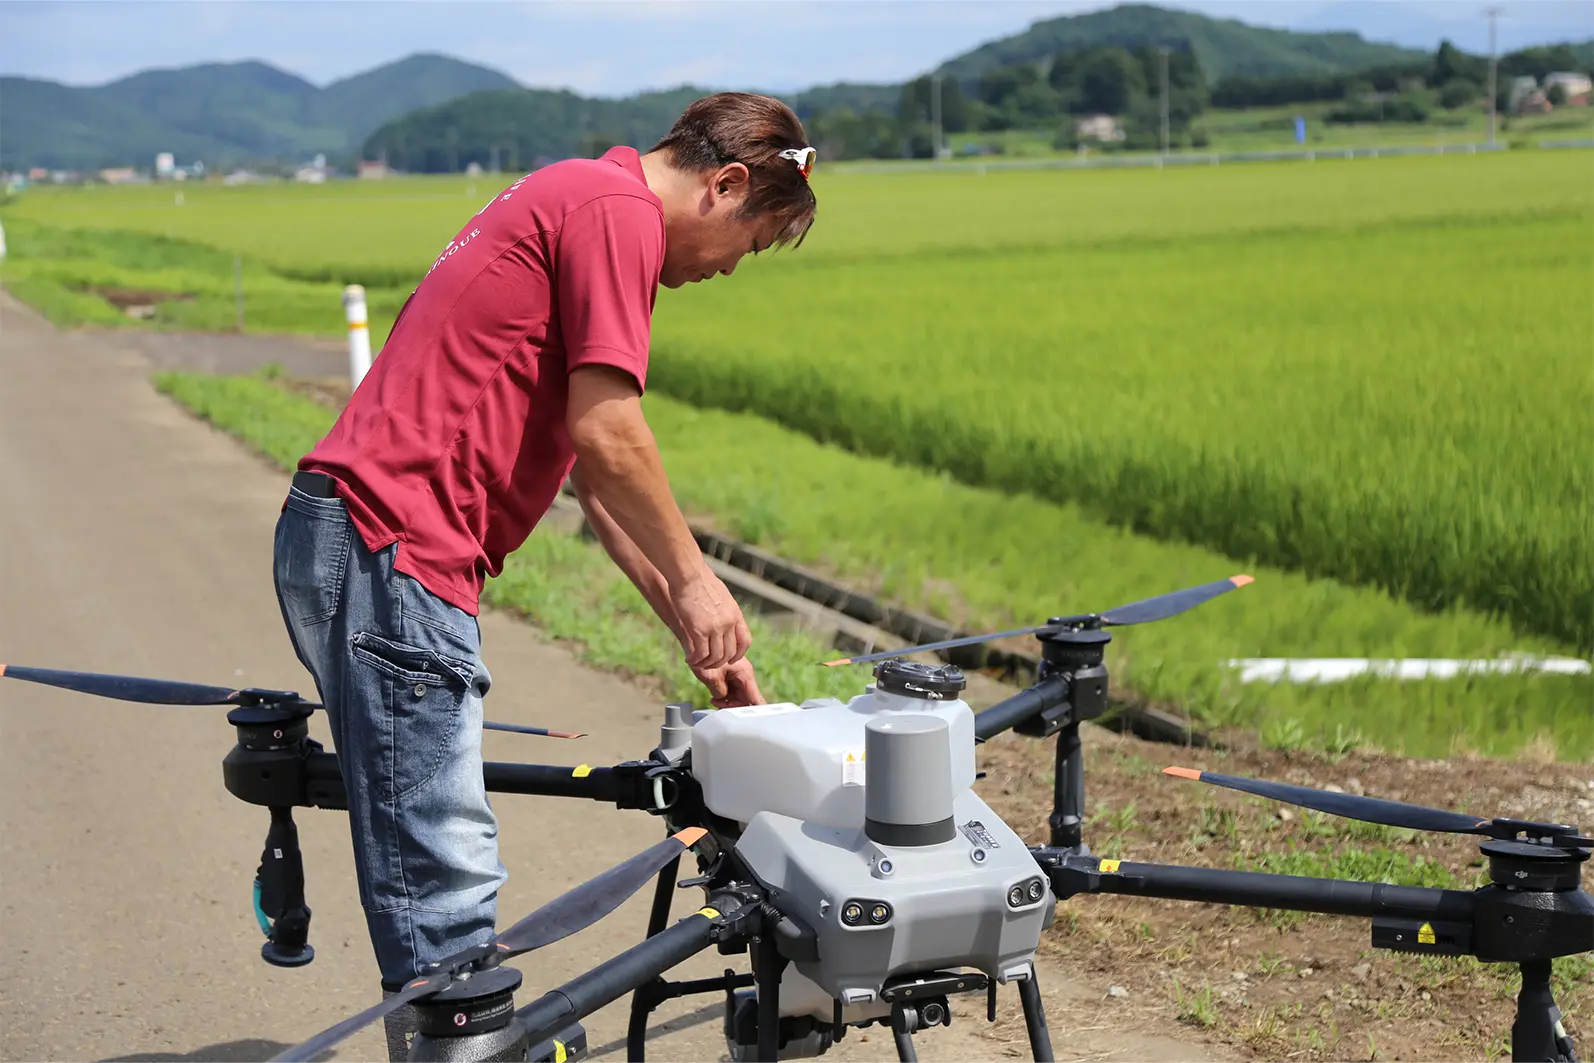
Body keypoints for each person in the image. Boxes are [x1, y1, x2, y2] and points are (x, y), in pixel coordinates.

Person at [269, 91, 817, 1058]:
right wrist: (700, 583)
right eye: (749, 240)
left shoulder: (581, 196)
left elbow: (596, 486)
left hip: (358, 538)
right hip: (395, 546)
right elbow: (610, 434)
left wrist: (695, 630)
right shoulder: (616, 215)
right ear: (723, 183)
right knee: (441, 868)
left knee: (421, 844)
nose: (730, 266)